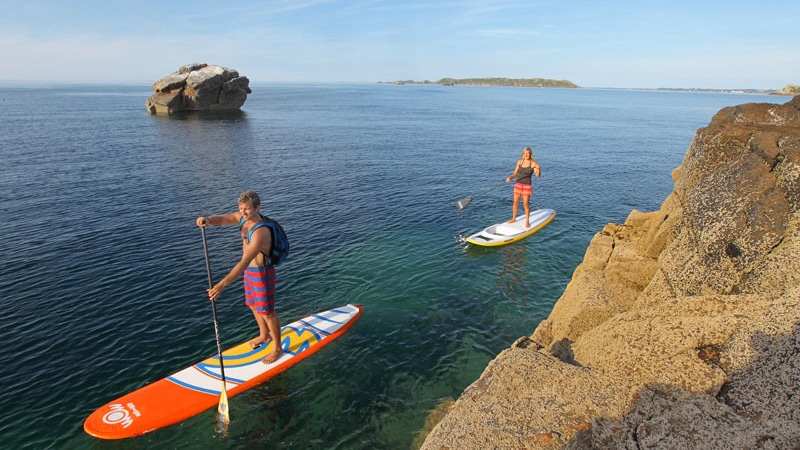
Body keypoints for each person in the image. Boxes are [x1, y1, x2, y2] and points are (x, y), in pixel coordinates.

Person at [196, 190, 283, 364]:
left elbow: (243, 262)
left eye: (247, 209)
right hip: (250, 273)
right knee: (252, 305)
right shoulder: (244, 218)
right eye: (241, 208)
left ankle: (277, 348)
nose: (243, 212)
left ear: (257, 208)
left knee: (267, 311)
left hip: (261, 273)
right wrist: (208, 220)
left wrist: (221, 285)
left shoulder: (261, 232)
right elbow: (225, 219)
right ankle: (264, 335)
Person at [505, 147, 541, 228]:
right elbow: (515, 173)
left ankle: (527, 221)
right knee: (515, 203)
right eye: (525, 153)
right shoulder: (520, 162)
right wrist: (510, 178)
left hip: (526, 186)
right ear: (523, 154)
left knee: (525, 204)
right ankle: (513, 218)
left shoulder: (533, 163)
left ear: (530, 154)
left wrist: (539, 169)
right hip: (518, 185)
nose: (526, 155)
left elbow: (538, 176)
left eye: (528, 153)